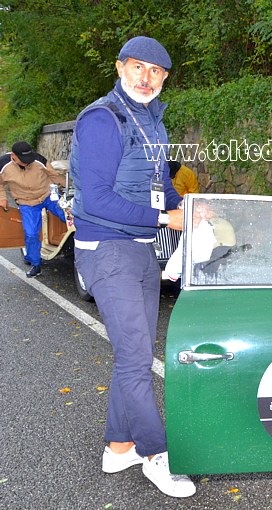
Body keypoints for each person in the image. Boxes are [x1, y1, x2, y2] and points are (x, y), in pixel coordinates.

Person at [68, 36, 195, 498]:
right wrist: (167, 218)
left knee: (134, 357)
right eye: (138, 67)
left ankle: (119, 448)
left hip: (141, 248)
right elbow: (96, 199)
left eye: (156, 71)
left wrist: (192, 209)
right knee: (138, 358)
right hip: (107, 249)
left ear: (165, 78)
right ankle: (155, 454)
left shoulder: (152, 121)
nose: (146, 77)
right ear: (120, 67)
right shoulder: (103, 118)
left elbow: (159, 182)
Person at [0, 141, 67, 277]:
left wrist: (71, 187)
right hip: (26, 201)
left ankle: (83, 242)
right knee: (30, 234)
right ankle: (35, 264)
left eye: (29, 159)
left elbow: (54, 175)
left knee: (66, 214)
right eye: (24, 161)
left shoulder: (38, 159)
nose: (28, 163)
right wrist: (2, 198)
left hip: (47, 195)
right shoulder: (3, 165)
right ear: (13, 156)